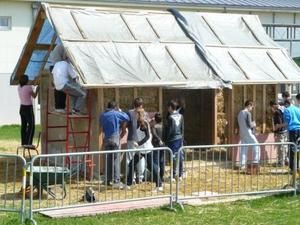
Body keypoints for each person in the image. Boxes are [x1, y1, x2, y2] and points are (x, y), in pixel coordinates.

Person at [127, 109, 162, 191]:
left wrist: (138, 143)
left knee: (151, 167)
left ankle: (159, 185)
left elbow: (147, 137)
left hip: (146, 149)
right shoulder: (138, 123)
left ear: (139, 115)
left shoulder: (144, 123)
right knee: (131, 164)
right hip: (140, 150)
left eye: (136, 114)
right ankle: (128, 184)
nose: (134, 115)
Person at [99, 101, 129, 189]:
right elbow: (126, 117)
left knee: (108, 159)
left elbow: (100, 124)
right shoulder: (116, 113)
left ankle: (107, 180)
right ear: (115, 107)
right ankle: (116, 180)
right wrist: (119, 111)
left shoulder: (103, 115)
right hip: (115, 138)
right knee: (116, 159)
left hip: (106, 138)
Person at [126, 97, 146, 183]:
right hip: (141, 139)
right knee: (140, 158)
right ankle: (140, 177)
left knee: (130, 158)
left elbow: (126, 124)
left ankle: (132, 177)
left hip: (132, 138)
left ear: (133, 104)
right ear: (141, 105)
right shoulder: (144, 113)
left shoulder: (130, 113)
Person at [237, 100, 260, 170]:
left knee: (243, 149)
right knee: (257, 146)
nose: (252, 109)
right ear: (249, 105)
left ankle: (242, 165)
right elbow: (249, 124)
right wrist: (254, 124)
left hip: (242, 132)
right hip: (248, 132)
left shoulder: (240, 113)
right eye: (252, 107)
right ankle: (255, 162)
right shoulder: (248, 113)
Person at [165, 100, 184, 181]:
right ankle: (180, 174)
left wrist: (166, 140)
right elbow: (182, 128)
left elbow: (170, 130)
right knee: (179, 155)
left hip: (172, 140)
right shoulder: (181, 116)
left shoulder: (170, 117)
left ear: (170, 107)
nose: (167, 109)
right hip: (179, 138)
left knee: (172, 157)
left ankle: (173, 175)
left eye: (168, 107)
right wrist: (182, 138)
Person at [18, 75, 39, 145]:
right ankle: (29, 143)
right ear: (26, 81)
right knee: (31, 125)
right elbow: (34, 95)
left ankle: (23, 142)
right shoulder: (28, 87)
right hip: (28, 108)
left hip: (22, 108)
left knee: (23, 126)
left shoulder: (19, 87)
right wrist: (38, 89)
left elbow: (30, 84)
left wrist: (34, 82)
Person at [270, 101, 288, 166]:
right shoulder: (283, 110)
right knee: (285, 147)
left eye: (271, 107)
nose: (271, 109)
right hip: (285, 131)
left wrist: (275, 131)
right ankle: (286, 160)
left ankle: (281, 163)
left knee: (281, 147)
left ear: (273, 106)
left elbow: (278, 124)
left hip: (281, 132)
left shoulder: (277, 113)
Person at [48, 44, 67, 113]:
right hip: (58, 67)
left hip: (53, 67)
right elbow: (66, 58)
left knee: (57, 87)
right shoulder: (65, 46)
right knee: (61, 87)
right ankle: (60, 107)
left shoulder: (59, 46)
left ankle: (58, 107)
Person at [283, 100, 300, 172]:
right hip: (299, 129)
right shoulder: (298, 109)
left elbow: (287, 122)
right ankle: (298, 166)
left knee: (292, 149)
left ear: (287, 104)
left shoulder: (287, 110)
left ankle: (293, 167)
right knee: (298, 148)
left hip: (292, 130)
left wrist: (279, 126)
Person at [150, 112, 165, 181]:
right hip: (163, 145)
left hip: (156, 145)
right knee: (162, 161)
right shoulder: (163, 126)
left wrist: (159, 140)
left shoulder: (154, 126)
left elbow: (154, 134)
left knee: (155, 162)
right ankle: (161, 177)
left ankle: (156, 177)